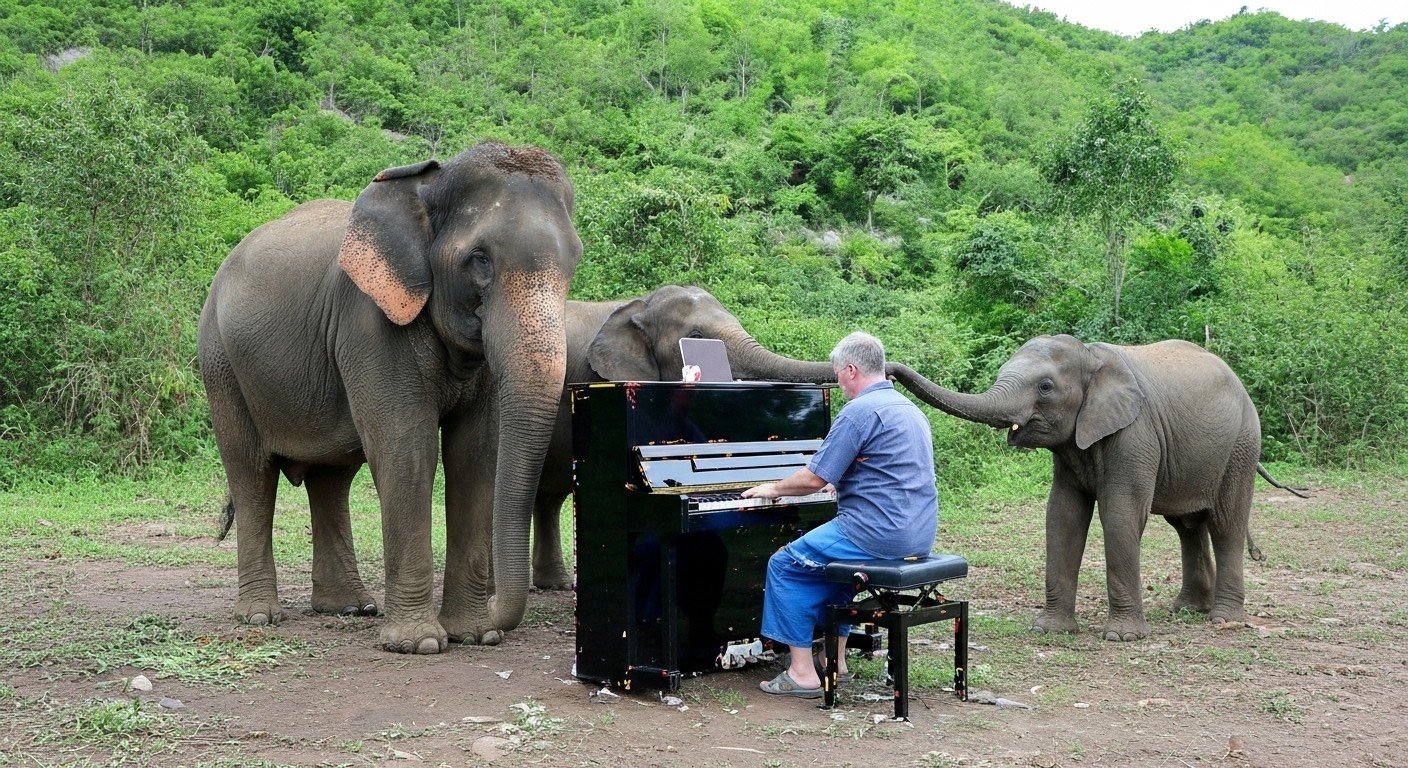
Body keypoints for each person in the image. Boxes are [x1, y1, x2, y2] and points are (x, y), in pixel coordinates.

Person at [742, 331, 938, 699]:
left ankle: (801, 674)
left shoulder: (860, 410)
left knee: (784, 565)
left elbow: (814, 477)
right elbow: (891, 470)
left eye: (836, 374)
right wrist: (846, 482)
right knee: (841, 574)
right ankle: (837, 661)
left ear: (850, 370)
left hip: (876, 533)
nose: (837, 382)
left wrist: (771, 488)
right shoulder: (909, 409)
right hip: (918, 533)